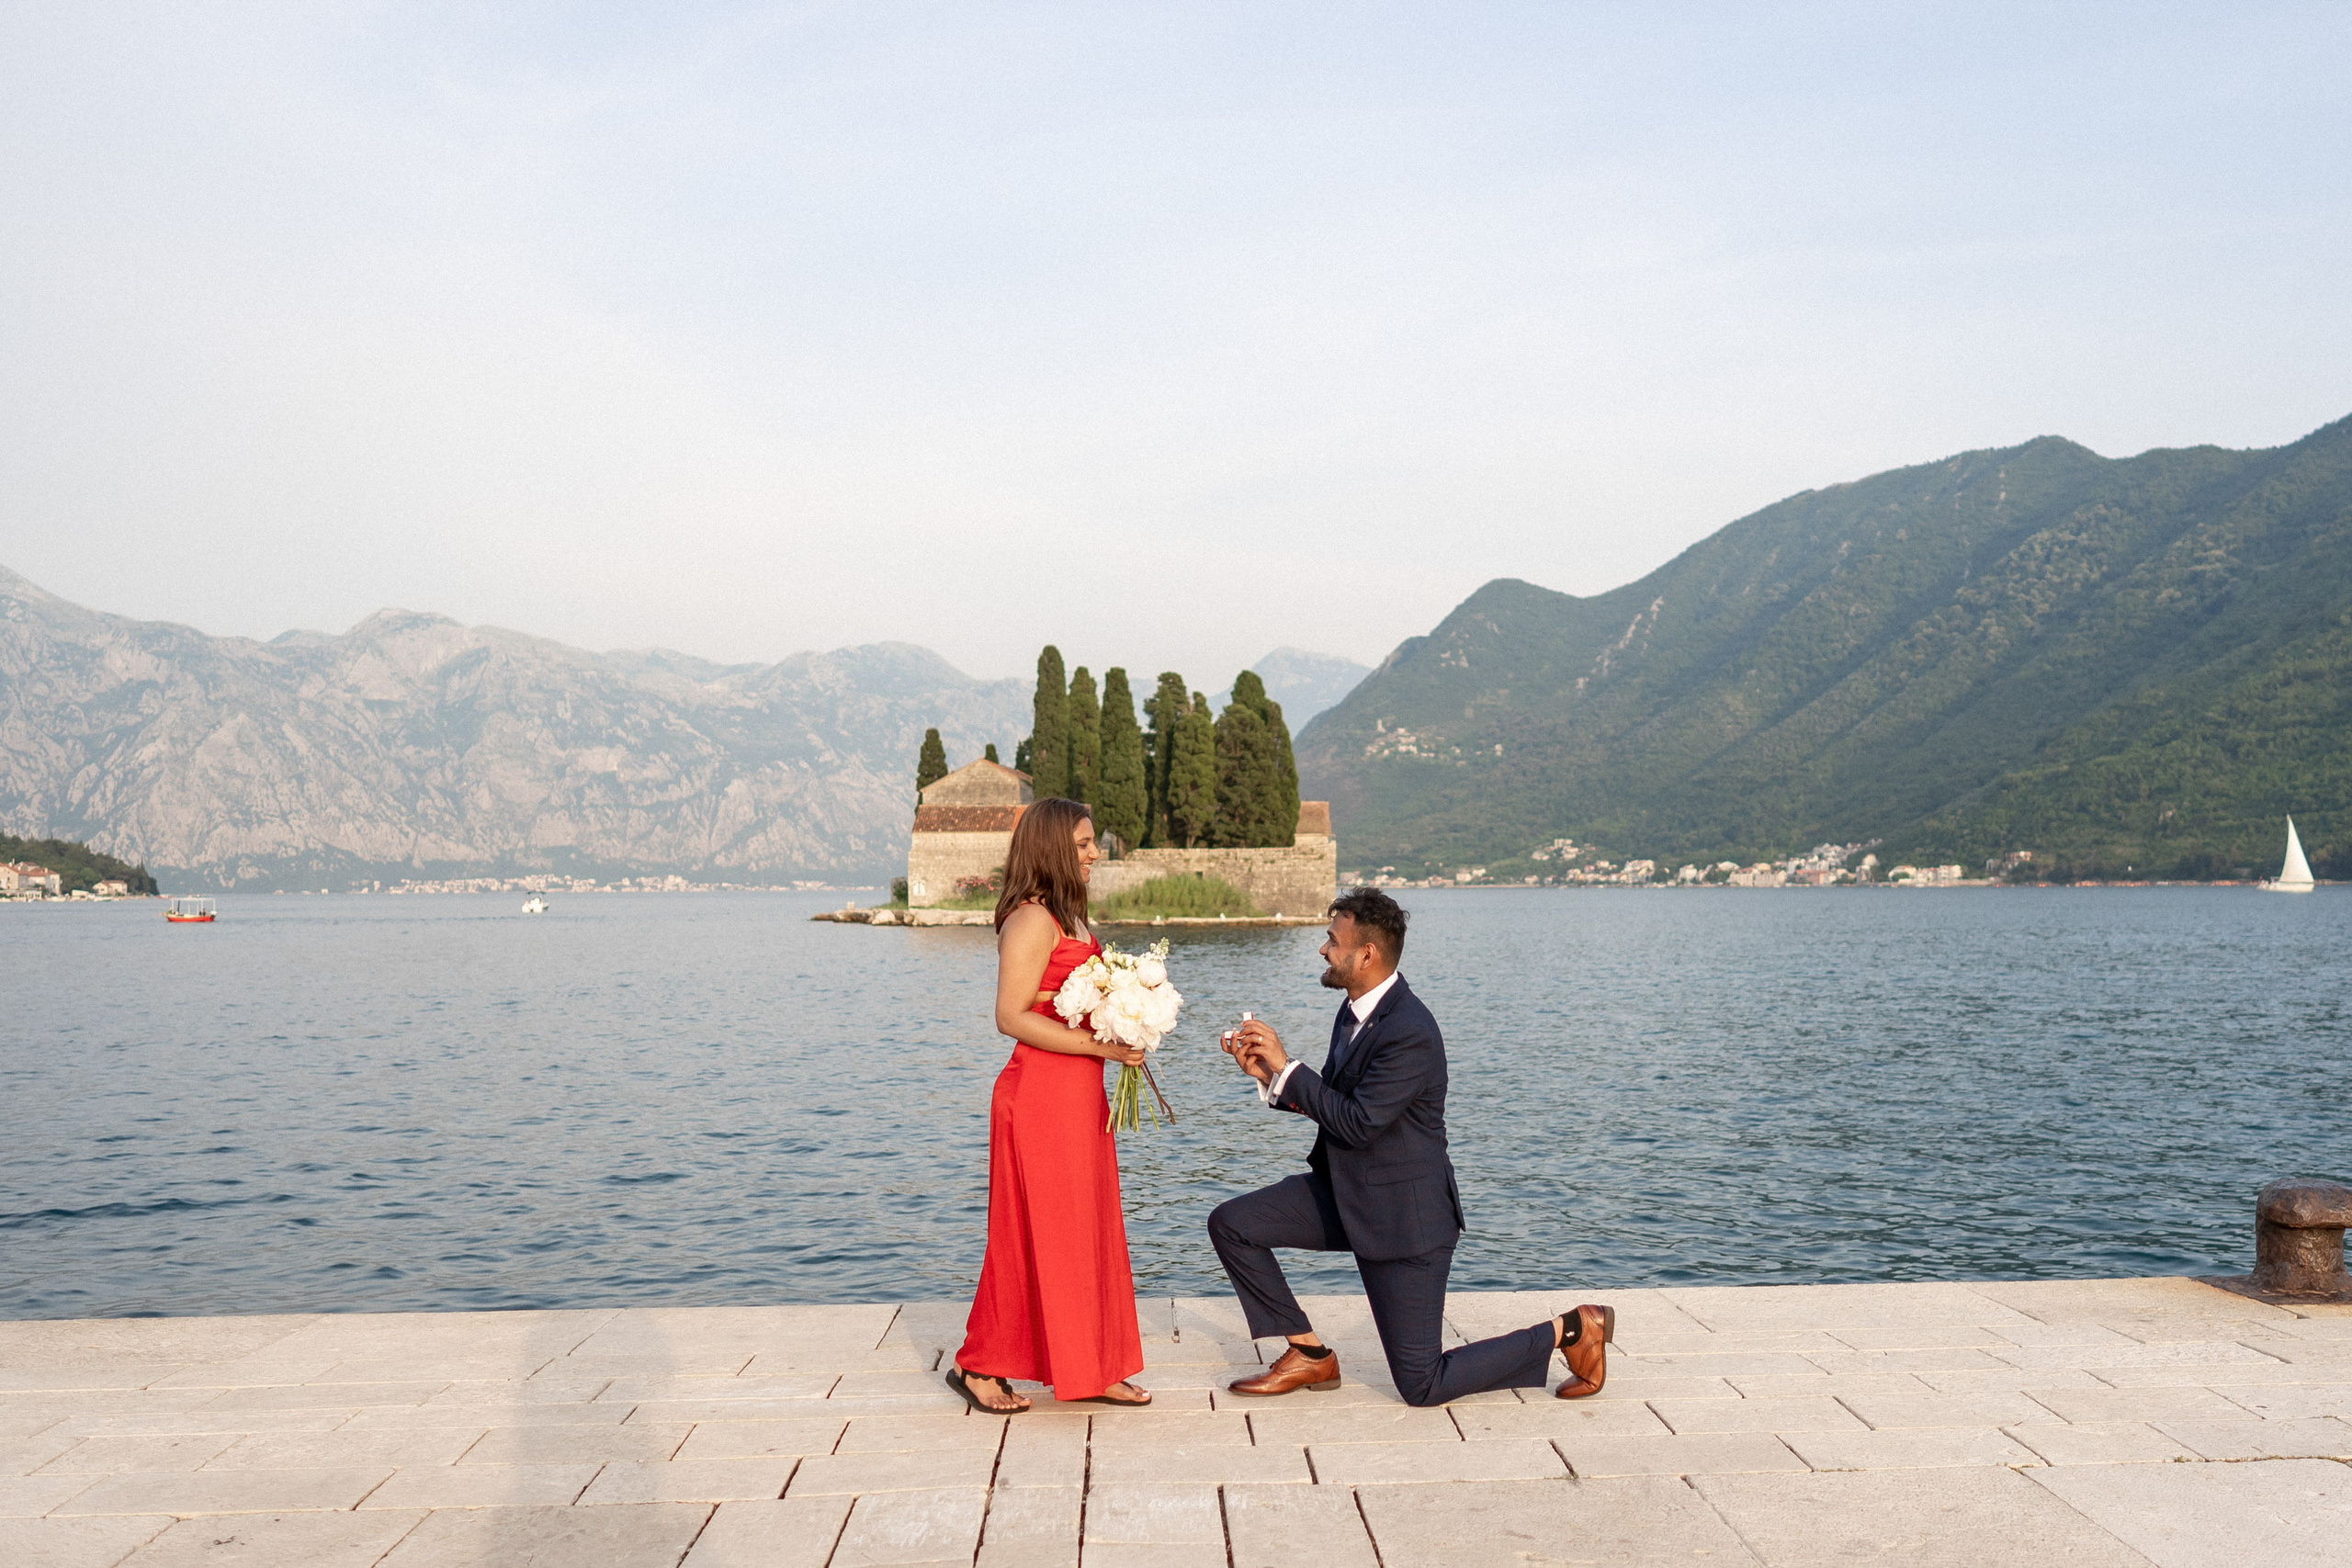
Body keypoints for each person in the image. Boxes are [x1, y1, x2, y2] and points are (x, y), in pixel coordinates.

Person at [1212, 887, 1611, 1405]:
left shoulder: (1410, 1030)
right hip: (1349, 1194)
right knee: (1233, 1224)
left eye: (1333, 941)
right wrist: (1270, 1076)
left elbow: (1358, 1124)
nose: (1323, 950)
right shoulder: (1354, 1009)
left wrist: (1289, 1067)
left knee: (1422, 1385)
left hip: (1406, 1219)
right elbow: (1338, 1104)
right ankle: (1310, 1354)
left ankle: (1573, 1330)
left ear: (1367, 954)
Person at [948, 797, 1153, 1413]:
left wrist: (1126, 1019)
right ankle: (980, 1364)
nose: (1095, 853)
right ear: (1054, 847)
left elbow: (1067, 998)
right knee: (1027, 1234)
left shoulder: (1074, 919)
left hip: (1079, 1095)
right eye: (1085, 843)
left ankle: (1094, 1364)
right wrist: (1104, 1045)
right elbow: (1010, 1016)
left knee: (1090, 1230)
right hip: (1037, 1096)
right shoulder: (1033, 919)